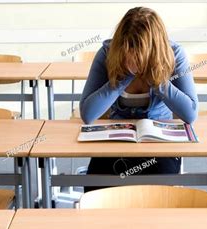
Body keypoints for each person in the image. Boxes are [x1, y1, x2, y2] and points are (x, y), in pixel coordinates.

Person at [80, 6, 198, 192]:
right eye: (128, 49)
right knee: (95, 188)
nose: (133, 55)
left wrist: (157, 80)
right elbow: (88, 113)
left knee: (158, 194)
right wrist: (122, 78)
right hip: (116, 142)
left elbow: (190, 113)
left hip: (159, 144)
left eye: (140, 50)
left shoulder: (174, 54)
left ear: (155, 48)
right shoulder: (107, 53)